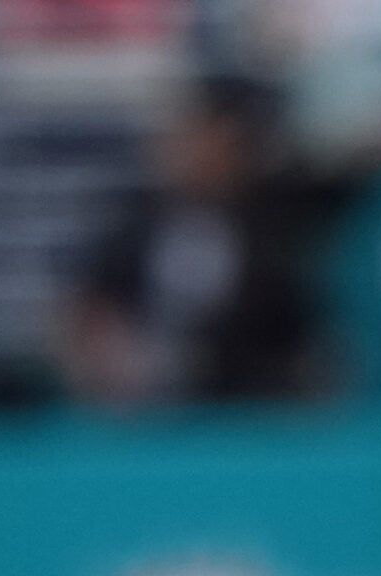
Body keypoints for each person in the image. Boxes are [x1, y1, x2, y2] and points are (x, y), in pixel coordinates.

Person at [61, 77, 335, 407]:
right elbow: (86, 310)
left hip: (251, 416)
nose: (195, 153)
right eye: (188, 138)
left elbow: (306, 338)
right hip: (143, 418)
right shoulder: (132, 221)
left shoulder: (282, 230)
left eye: (218, 143)